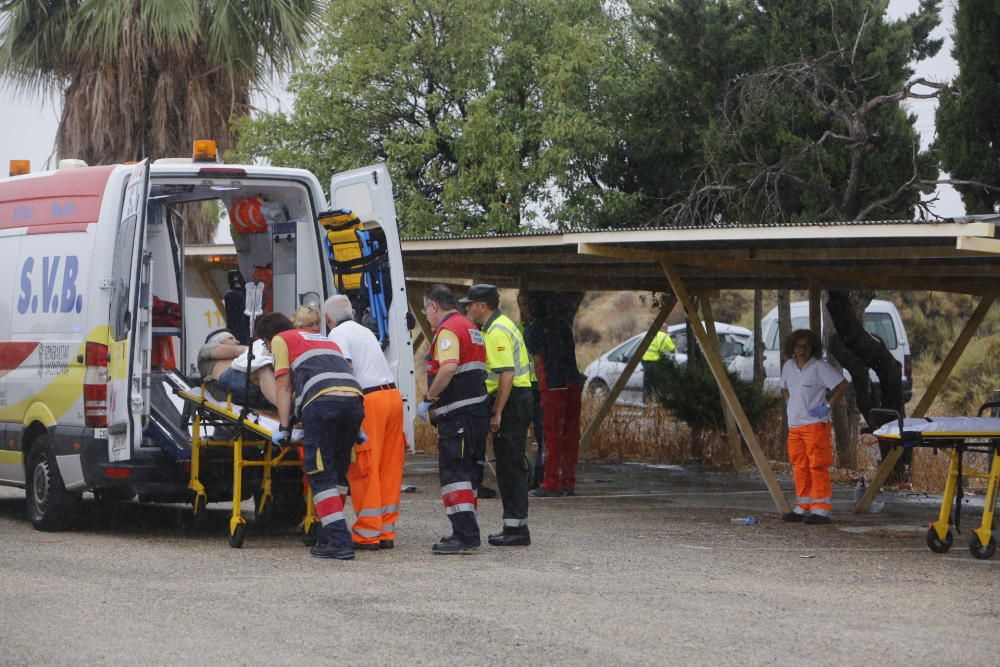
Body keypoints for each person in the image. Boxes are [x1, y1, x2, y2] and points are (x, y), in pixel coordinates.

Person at [257, 312, 365, 560]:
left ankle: (338, 541)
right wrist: (358, 427)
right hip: (354, 402)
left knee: (319, 472)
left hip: (322, 403)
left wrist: (284, 428)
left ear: (268, 338)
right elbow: (343, 374)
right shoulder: (323, 339)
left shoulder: (281, 340)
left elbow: (283, 386)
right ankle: (328, 536)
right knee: (338, 473)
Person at [325, 294, 405, 551]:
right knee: (388, 466)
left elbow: (344, 369)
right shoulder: (365, 331)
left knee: (364, 465)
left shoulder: (337, 335)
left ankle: (368, 532)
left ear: (329, 320)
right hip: (392, 397)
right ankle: (386, 530)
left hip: (369, 401)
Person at [418, 284, 489, 554]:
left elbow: (448, 368)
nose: (426, 316)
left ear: (434, 306)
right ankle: (466, 530)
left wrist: (428, 398)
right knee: (469, 475)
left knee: (455, 474)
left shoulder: (449, 330)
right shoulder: (471, 328)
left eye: (426, 310)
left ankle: (465, 534)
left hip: (458, 415)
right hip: (475, 413)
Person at [461, 284, 532, 547]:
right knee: (508, 464)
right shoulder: (495, 326)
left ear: (483, 306)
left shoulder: (496, 330)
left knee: (509, 465)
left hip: (512, 400)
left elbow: (506, 374)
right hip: (515, 398)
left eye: (470, 304)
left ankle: (516, 530)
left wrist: (498, 411)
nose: (467, 308)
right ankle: (514, 526)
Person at [780, 329, 849, 525]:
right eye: (800, 346)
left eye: (807, 346)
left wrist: (827, 405)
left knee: (817, 465)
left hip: (815, 425)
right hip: (795, 425)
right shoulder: (788, 367)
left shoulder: (819, 367)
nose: (803, 350)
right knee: (799, 466)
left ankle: (820, 509)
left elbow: (842, 385)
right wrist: (789, 403)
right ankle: (803, 505)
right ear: (793, 348)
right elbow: (784, 387)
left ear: (813, 348)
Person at [526, 295, 583, 497]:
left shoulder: (533, 330)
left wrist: (542, 391)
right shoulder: (563, 327)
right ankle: (568, 481)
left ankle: (551, 482)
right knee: (570, 434)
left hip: (553, 385)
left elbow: (539, 363)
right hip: (573, 382)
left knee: (551, 435)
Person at [196, 328, 277, 407]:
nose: (237, 341)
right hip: (227, 384)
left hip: (249, 390)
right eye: (231, 338)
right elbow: (239, 350)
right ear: (217, 342)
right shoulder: (205, 350)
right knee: (262, 368)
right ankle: (282, 404)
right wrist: (268, 350)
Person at [518, 291, 545, 490]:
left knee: (542, 434)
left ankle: (539, 477)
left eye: (526, 304)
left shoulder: (540, 330)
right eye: (521, 304)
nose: (524, 309)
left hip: (539, 387)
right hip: (523, 387)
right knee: (519, 434)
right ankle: (524, 475)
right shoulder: (518, 330)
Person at [641, 325, 676, 403]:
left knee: (647, 383)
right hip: (655, 362)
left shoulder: (650, 334)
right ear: (665, 329)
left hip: (645, 361)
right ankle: (658, 402)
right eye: (666, 329)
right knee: (657, 384)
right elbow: (673, 350)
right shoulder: (665, 337)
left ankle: (646, 401)